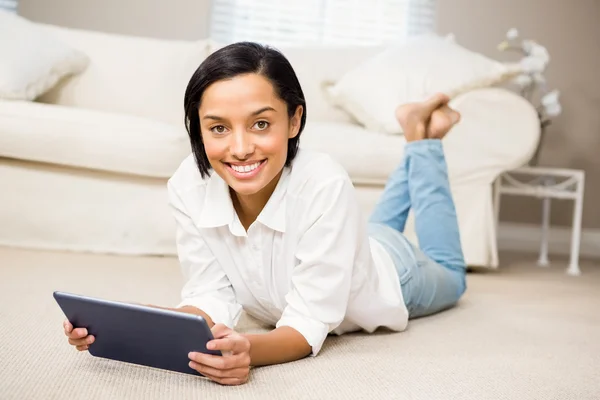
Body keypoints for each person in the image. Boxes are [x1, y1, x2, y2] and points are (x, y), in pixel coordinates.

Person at [63, 42, 467, 386]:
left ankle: (421, 138)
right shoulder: (188, 184)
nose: (240, 148)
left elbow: (309, 321)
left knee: (451, 273)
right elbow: (209, 295)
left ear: (294, 119)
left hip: (393, 270)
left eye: (260, 123)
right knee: (371, 227)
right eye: (218, 128)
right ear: (197, 130)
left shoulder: (325, 183)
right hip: (353, 238)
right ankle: (414, 135)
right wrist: (135, 323)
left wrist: (249, 352)